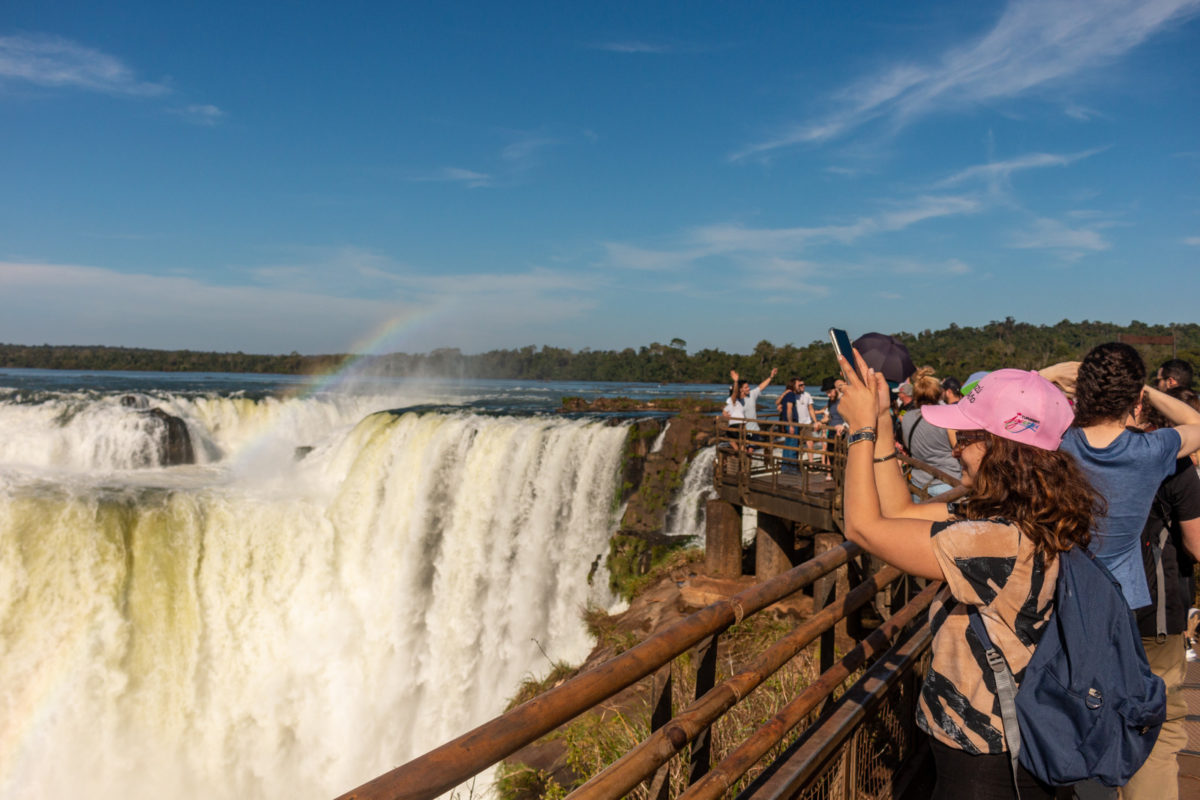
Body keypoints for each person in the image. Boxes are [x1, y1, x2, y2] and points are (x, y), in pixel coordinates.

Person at [837, 353, 1096, 800]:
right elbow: (899, 513)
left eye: (967, 436)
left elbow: (864, 527)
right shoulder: (1030, 514)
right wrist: (881, 422)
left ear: (1000, 448)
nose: (954, 447)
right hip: (1008, 740)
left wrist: (859, 431)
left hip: (987, 755)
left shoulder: (995, 542)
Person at [1053, 344, 1200, 800]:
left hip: (1070, 604)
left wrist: (1055, 371)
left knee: (1080, 713)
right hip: (1137, 602)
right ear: (1134, 398)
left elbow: (1000, 408)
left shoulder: (1058, 446)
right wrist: (1152, 392)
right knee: (1154, 727)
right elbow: (1197, 425)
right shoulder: (1153, 451)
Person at [900, 367, 963, 498]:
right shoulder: (947, 414)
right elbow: (958, 449)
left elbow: (908, 446)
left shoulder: (906, 417)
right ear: (939, 393)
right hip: (948, 482)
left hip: (918, 484)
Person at [722, 367, 777, 449]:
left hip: (753, 429)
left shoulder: (751, 395)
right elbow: (727, 406)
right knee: (742, 450)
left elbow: (761, 386)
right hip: (743, 430)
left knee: (750, 451)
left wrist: (771, 376)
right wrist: (724, 413)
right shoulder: (736, 400)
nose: (749, 388)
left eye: (748, 386)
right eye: (746, 387)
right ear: (740, 389)